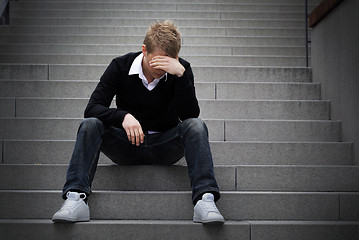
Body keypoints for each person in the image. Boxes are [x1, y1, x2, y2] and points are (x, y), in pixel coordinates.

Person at [52, 20, 224, 224]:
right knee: (90, 124)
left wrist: (180, 76)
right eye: (157, 61)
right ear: (144, 50)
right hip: (127, 145)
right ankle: (76, 197)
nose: (162, 68)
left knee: (196, 125)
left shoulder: (181, 70)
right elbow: (92, 108)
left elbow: (190, 115)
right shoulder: (120, 66)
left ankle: (205, 199)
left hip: (164, 147)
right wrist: (122, 116)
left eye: (169, 61)